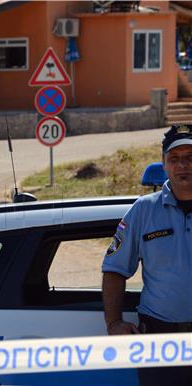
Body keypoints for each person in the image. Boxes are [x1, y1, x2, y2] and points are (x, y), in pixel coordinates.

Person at [101, 124, 192, 386]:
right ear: (164, 165)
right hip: (159, 341)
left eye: (189, 158)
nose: (182, 165)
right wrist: (114, 322)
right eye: (174, 159)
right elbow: (115, 269)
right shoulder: (143, 211)